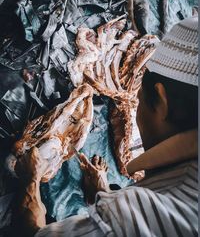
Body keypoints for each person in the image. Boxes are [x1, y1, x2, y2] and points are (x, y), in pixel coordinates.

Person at [13, 16, 198, 237]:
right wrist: (103, 192)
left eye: (139, 96)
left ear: (161, 101)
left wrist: (31, 180)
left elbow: (32, 233)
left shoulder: (138, 219)